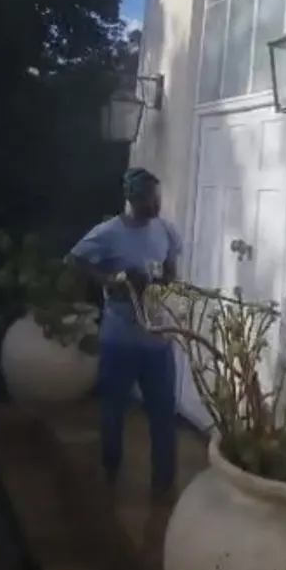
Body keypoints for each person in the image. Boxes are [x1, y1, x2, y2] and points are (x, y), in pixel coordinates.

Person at [67, 167, 181, 500]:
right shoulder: (107, 233)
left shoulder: (166, 231)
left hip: (158, 338)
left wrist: (155, 283)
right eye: (151, 199)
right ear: (132, 199)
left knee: (163, 412)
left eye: (158, 198)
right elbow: (74, 260)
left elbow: (171, 275)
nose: (157, 205)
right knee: (113, 410)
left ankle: (164, 483)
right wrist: (110, 280)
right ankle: (109, 472)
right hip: (119, 340)